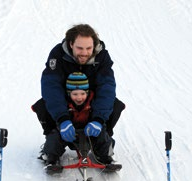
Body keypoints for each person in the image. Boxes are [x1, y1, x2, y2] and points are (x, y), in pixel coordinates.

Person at [31, 24, 125, 168]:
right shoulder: (58, 55)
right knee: (43, 104)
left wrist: (98, 119)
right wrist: (62, 119)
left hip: (90, 106)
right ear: (71, 44)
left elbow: (107, 88)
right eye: (79, 48)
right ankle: (51, 145)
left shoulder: (102, 57)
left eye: (88, 48)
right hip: (67, 104)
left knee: (114, 103)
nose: (85, 53)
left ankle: (102, 144)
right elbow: (51, 87)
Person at [42, 72, 114, 173]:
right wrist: (62, 124)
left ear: (87, 93)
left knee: (103, 136)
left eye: (83, 94)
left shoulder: (92, 102)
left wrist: (97, 122)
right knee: (54, 138)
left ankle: (106, 158)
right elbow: (57, 114)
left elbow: (100, 112)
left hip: (89, 131)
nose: (79, 97)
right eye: (75, 94)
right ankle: (51, 159)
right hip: (68, 131)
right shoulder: (64, 103)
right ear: (68, 93)